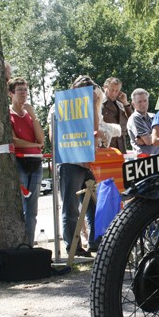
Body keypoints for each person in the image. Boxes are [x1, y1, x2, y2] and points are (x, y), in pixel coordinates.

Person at [49, 75, 100, 257]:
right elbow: (53, 137)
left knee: (95, 204)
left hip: (88, 162)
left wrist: (93, 106)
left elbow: (94, 130)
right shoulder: (59, 106)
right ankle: (73, 247)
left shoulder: (91, 107)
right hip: (70, 161)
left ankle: (96, 242)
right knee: (71, 206)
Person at [8, 78, 44, 247]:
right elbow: (14, 141)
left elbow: (41, 139)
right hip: (20, 163)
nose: (23, 93)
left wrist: (34, 116)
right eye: (19, 90)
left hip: (36, 163)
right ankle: (19, 245)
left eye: (25, 90)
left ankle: (29, 244)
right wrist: (34, 145)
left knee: (32, 210)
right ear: (11, 93)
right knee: (21, 207)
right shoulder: (8, 114)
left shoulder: (30, 115)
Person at [101, 77, 133, 152]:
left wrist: (125, 103)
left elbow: (132, 120)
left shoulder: (121, 104)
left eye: (117, 90)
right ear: (105, 88)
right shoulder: (99, 103)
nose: (114, 93)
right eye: (112, 90)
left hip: (121, 145)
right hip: (106, 145)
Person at [126, 88, 158, 155]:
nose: (143, 104)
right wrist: (158, 134)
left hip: (157, 157)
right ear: (133, 104)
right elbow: (148, 141)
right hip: (144, 160)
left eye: (145, 101)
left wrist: (147, 139)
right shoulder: (135, 118)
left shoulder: (153, 116)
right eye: (139, 102)